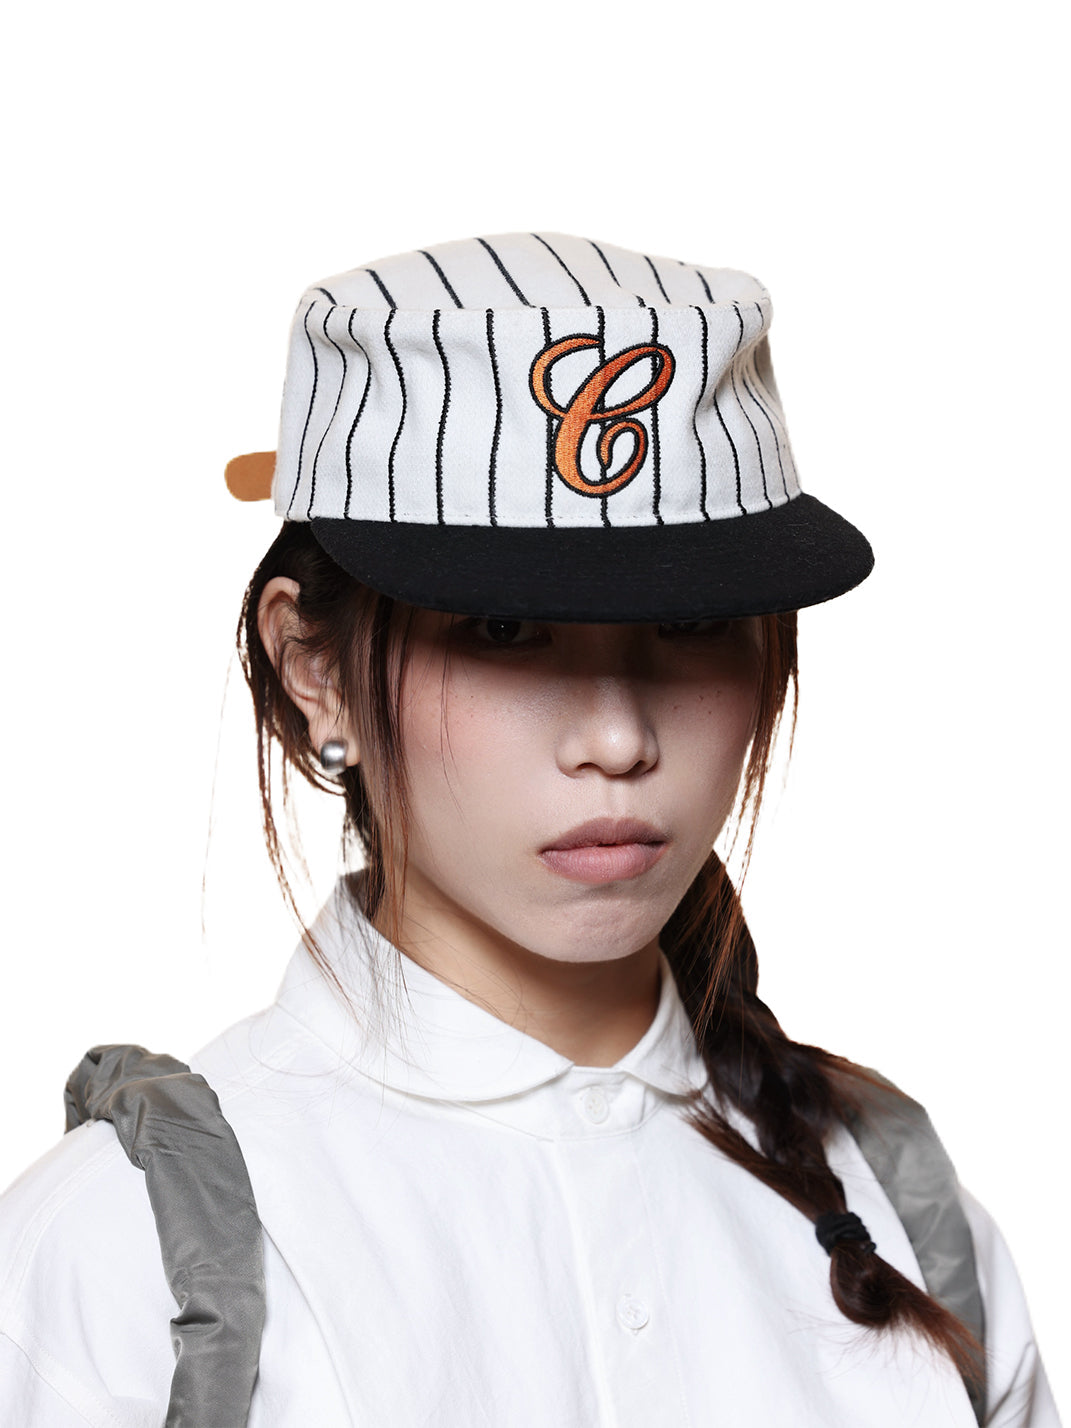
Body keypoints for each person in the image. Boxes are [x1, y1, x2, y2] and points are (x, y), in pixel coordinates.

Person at [0, 233, 1059, 1426]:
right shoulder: (118, 1264)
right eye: (505, 629)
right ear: (315, 669)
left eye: (693, 623)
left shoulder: (907, 1213)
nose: (617, 736)